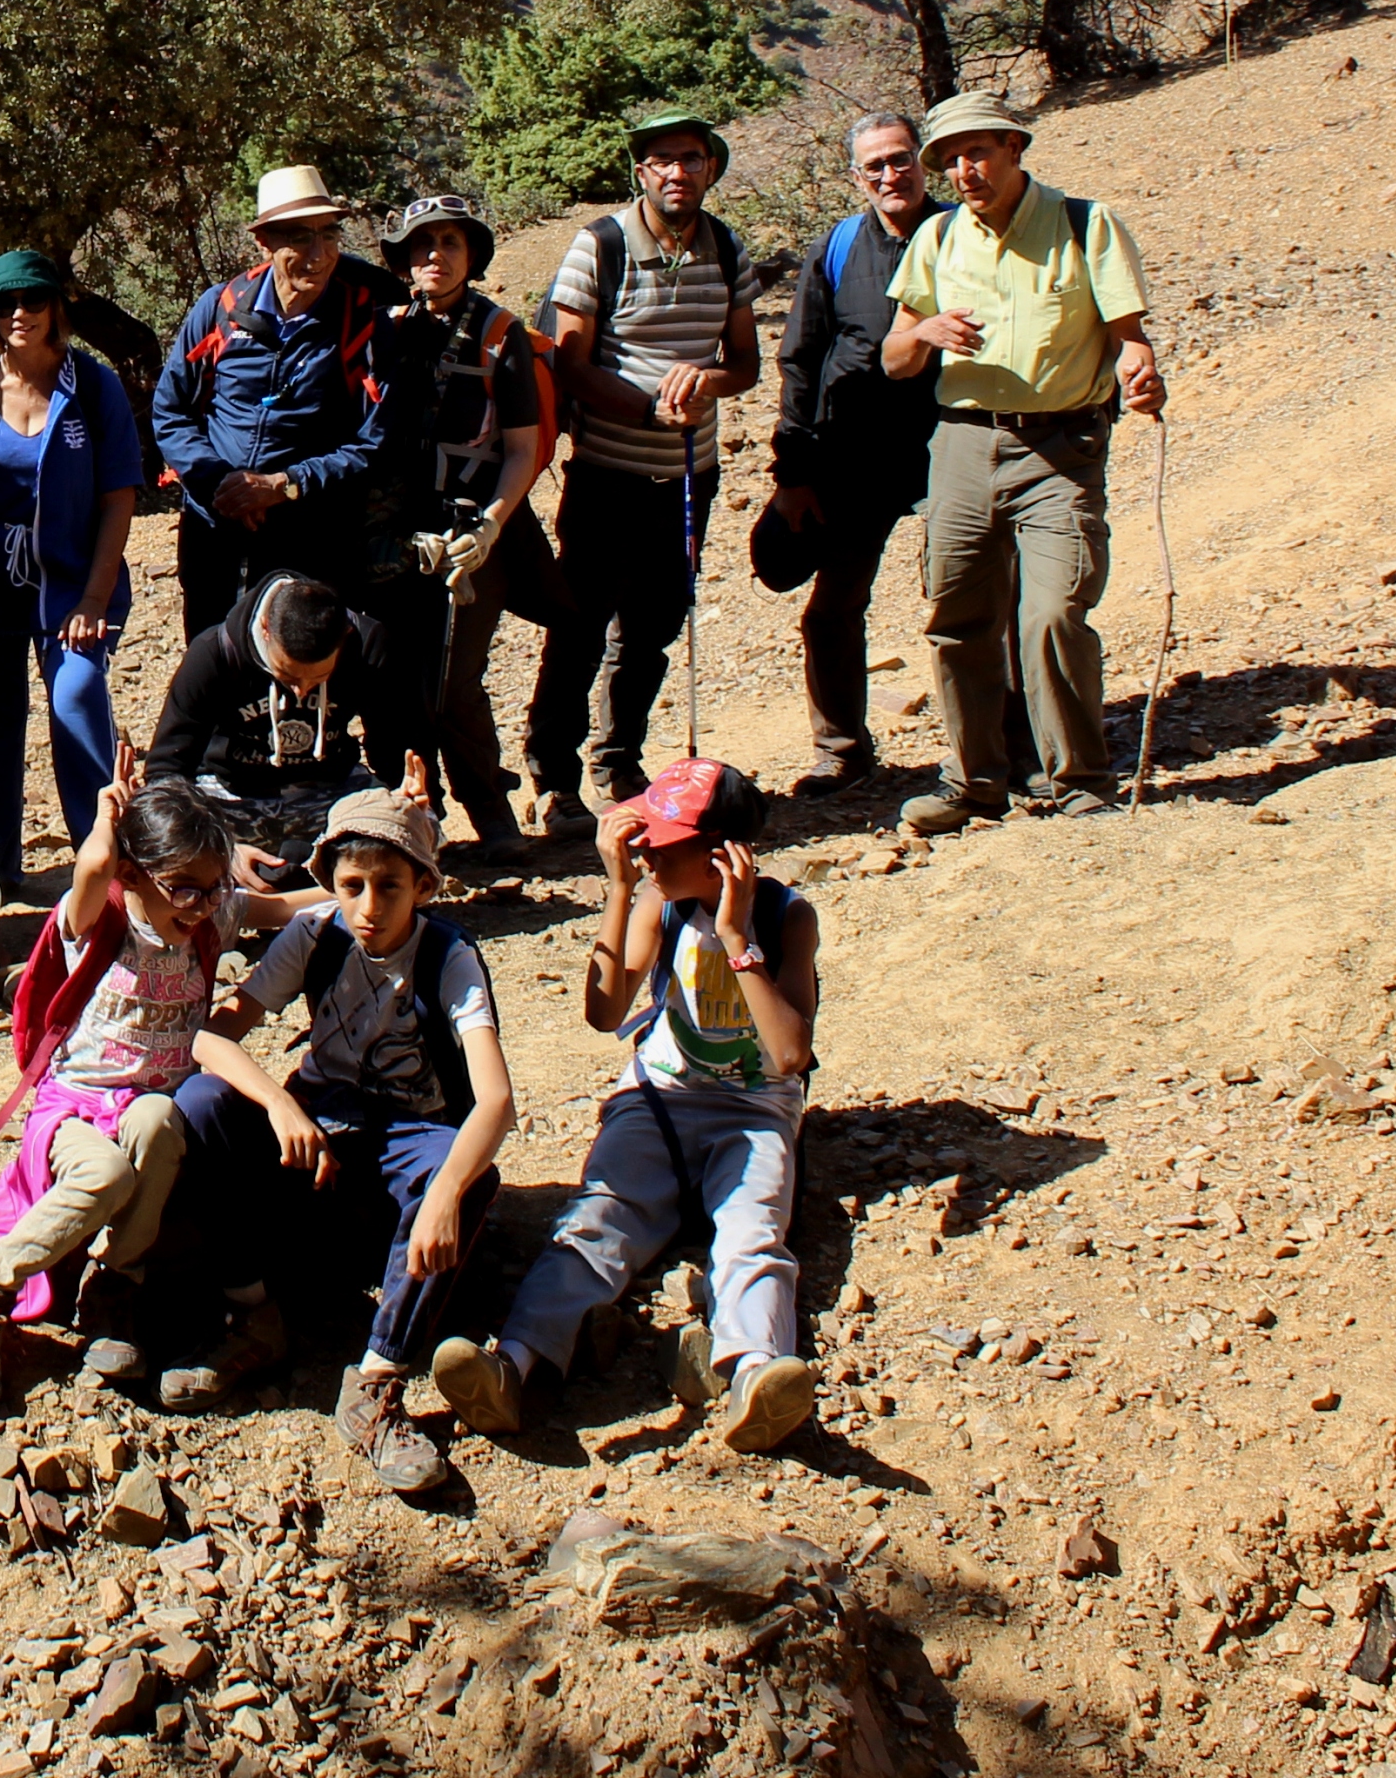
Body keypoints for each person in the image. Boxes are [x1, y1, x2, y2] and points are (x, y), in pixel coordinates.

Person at [430, 761, 820, 1456]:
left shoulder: (786, 916)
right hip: (658, 1101)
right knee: (595, 1221)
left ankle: (754, 1375)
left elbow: (790, 1054)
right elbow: (603, 1008)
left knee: (750, 1234)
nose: (645, 852)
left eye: (662, 846)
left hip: (753, 1113)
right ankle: (512, 1365)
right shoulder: (658, 904)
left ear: (722, 853)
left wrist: (736, 940)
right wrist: (620, 889)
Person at [172, 789, 515, 1490]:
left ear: (424, 884)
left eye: (389, 886)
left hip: (412, 1127)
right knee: (202, 1101)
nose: (368, 906)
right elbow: (209, 1036)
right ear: (329, 882)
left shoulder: (448, 956)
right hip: (323, 1113)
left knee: (467, 1177)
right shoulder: (316, 934)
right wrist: (279, 1103)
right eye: (351, 885)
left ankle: (378, 1378)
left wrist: (448, 1188)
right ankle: (252, 1312)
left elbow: (496, 1099)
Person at [877, 92, 1162, 833]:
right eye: (951, 158)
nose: (964, 170)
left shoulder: (1083, 224)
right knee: (957, 615)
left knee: (1053, 613)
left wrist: (1141, 371)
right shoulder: (937, 239)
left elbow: (1129, 337)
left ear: (1013, 146)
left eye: (978, 152)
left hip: (1062, 447)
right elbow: (896, 357)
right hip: (964, 444)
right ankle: (973, 783)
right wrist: (928, 331)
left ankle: (1081, 782)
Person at [0, 770, 257, 1409]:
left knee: (162, 1123)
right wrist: (104, 824)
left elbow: (289, 906)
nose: (199, 906)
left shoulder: (208, 914)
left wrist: (377, 879)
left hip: (143, 1103)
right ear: (134, 874)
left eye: (212, 888)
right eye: (184, 890)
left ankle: (114, 1284)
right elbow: (90, 875)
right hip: (76, 1106)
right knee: (107, 1172)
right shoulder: (99, 918)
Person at [532, 111, 762, 817]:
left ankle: (619, 759)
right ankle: (554, 776)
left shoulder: (726, 246)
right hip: (607, 471)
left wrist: (705, 382)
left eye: (691, 159)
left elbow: (745, 363)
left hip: (691, 474)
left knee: (654, 627)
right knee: (579, 624)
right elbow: (568, 363)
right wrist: (645, 410)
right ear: (641, 171)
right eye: (662, 160)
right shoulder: (599, 246)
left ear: (710, 169)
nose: (677, 173)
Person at [0, 249, 143, 876]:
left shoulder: (93, 387)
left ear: (57, 307)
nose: (20, 313)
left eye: (33, 300)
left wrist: (95, 599)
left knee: (76, 701)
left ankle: (101, 861)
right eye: (4, 303)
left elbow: (119, 496)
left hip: (71, 590)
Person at [765, 114, 942, 801]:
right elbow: (799, 359)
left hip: (945, 448)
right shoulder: (838, 246)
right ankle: (840, 750)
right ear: (856, 176)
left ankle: (988, 741)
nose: (890, 176)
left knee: (965, 598)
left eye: (901, 160)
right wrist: (794, 472)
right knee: (830, 608)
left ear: (923, 162)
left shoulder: (962, 236)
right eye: (875, 167)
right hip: (852, 456)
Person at [371, 200, 557, 852]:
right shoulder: (385, 330)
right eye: (420, 244)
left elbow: (523, 449)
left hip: (476, 531)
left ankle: (491, 812)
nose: (435, 255)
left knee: (453, 678)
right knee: (393, 676)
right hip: (395, 534)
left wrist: (491, 527)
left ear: (470, 255)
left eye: (449, 242)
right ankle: (414, 817)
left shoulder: (501, 334)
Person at [153, 165, 397, 643]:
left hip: (310, 531)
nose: (319, 254)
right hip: (213, 525)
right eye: (300, 238)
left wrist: (284, 486)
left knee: (302, 671)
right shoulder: (220, 307)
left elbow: (375, 442)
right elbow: (171, 409)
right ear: (264, 240)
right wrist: (219, 481)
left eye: (329, 234)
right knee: (213, 656)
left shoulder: (363, 321)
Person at [146, 572, 406, 822]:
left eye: (319, 678)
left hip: (333, 787)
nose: (301, 691)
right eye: (287, 676)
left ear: (345, 638)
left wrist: (406, 803)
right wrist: (223, 852)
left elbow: (395, 746)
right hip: (231, 790)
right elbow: (167, 770)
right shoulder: (214, 654)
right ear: (266, 628)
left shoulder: (368, 646)